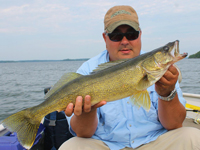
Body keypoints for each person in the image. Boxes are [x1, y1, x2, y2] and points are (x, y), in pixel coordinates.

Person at [59, 5, 200, 150]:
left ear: (140, 35)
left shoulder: (165, 72)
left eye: (131, 34)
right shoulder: (87, 71)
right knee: (70, 147)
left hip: (155, 142)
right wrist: (86, 112)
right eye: (116, 35)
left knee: (193, 137)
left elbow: (174, 124)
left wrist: (167, 94)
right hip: (107, 145)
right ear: (105, 38)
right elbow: (83, 133)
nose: (125, 41)